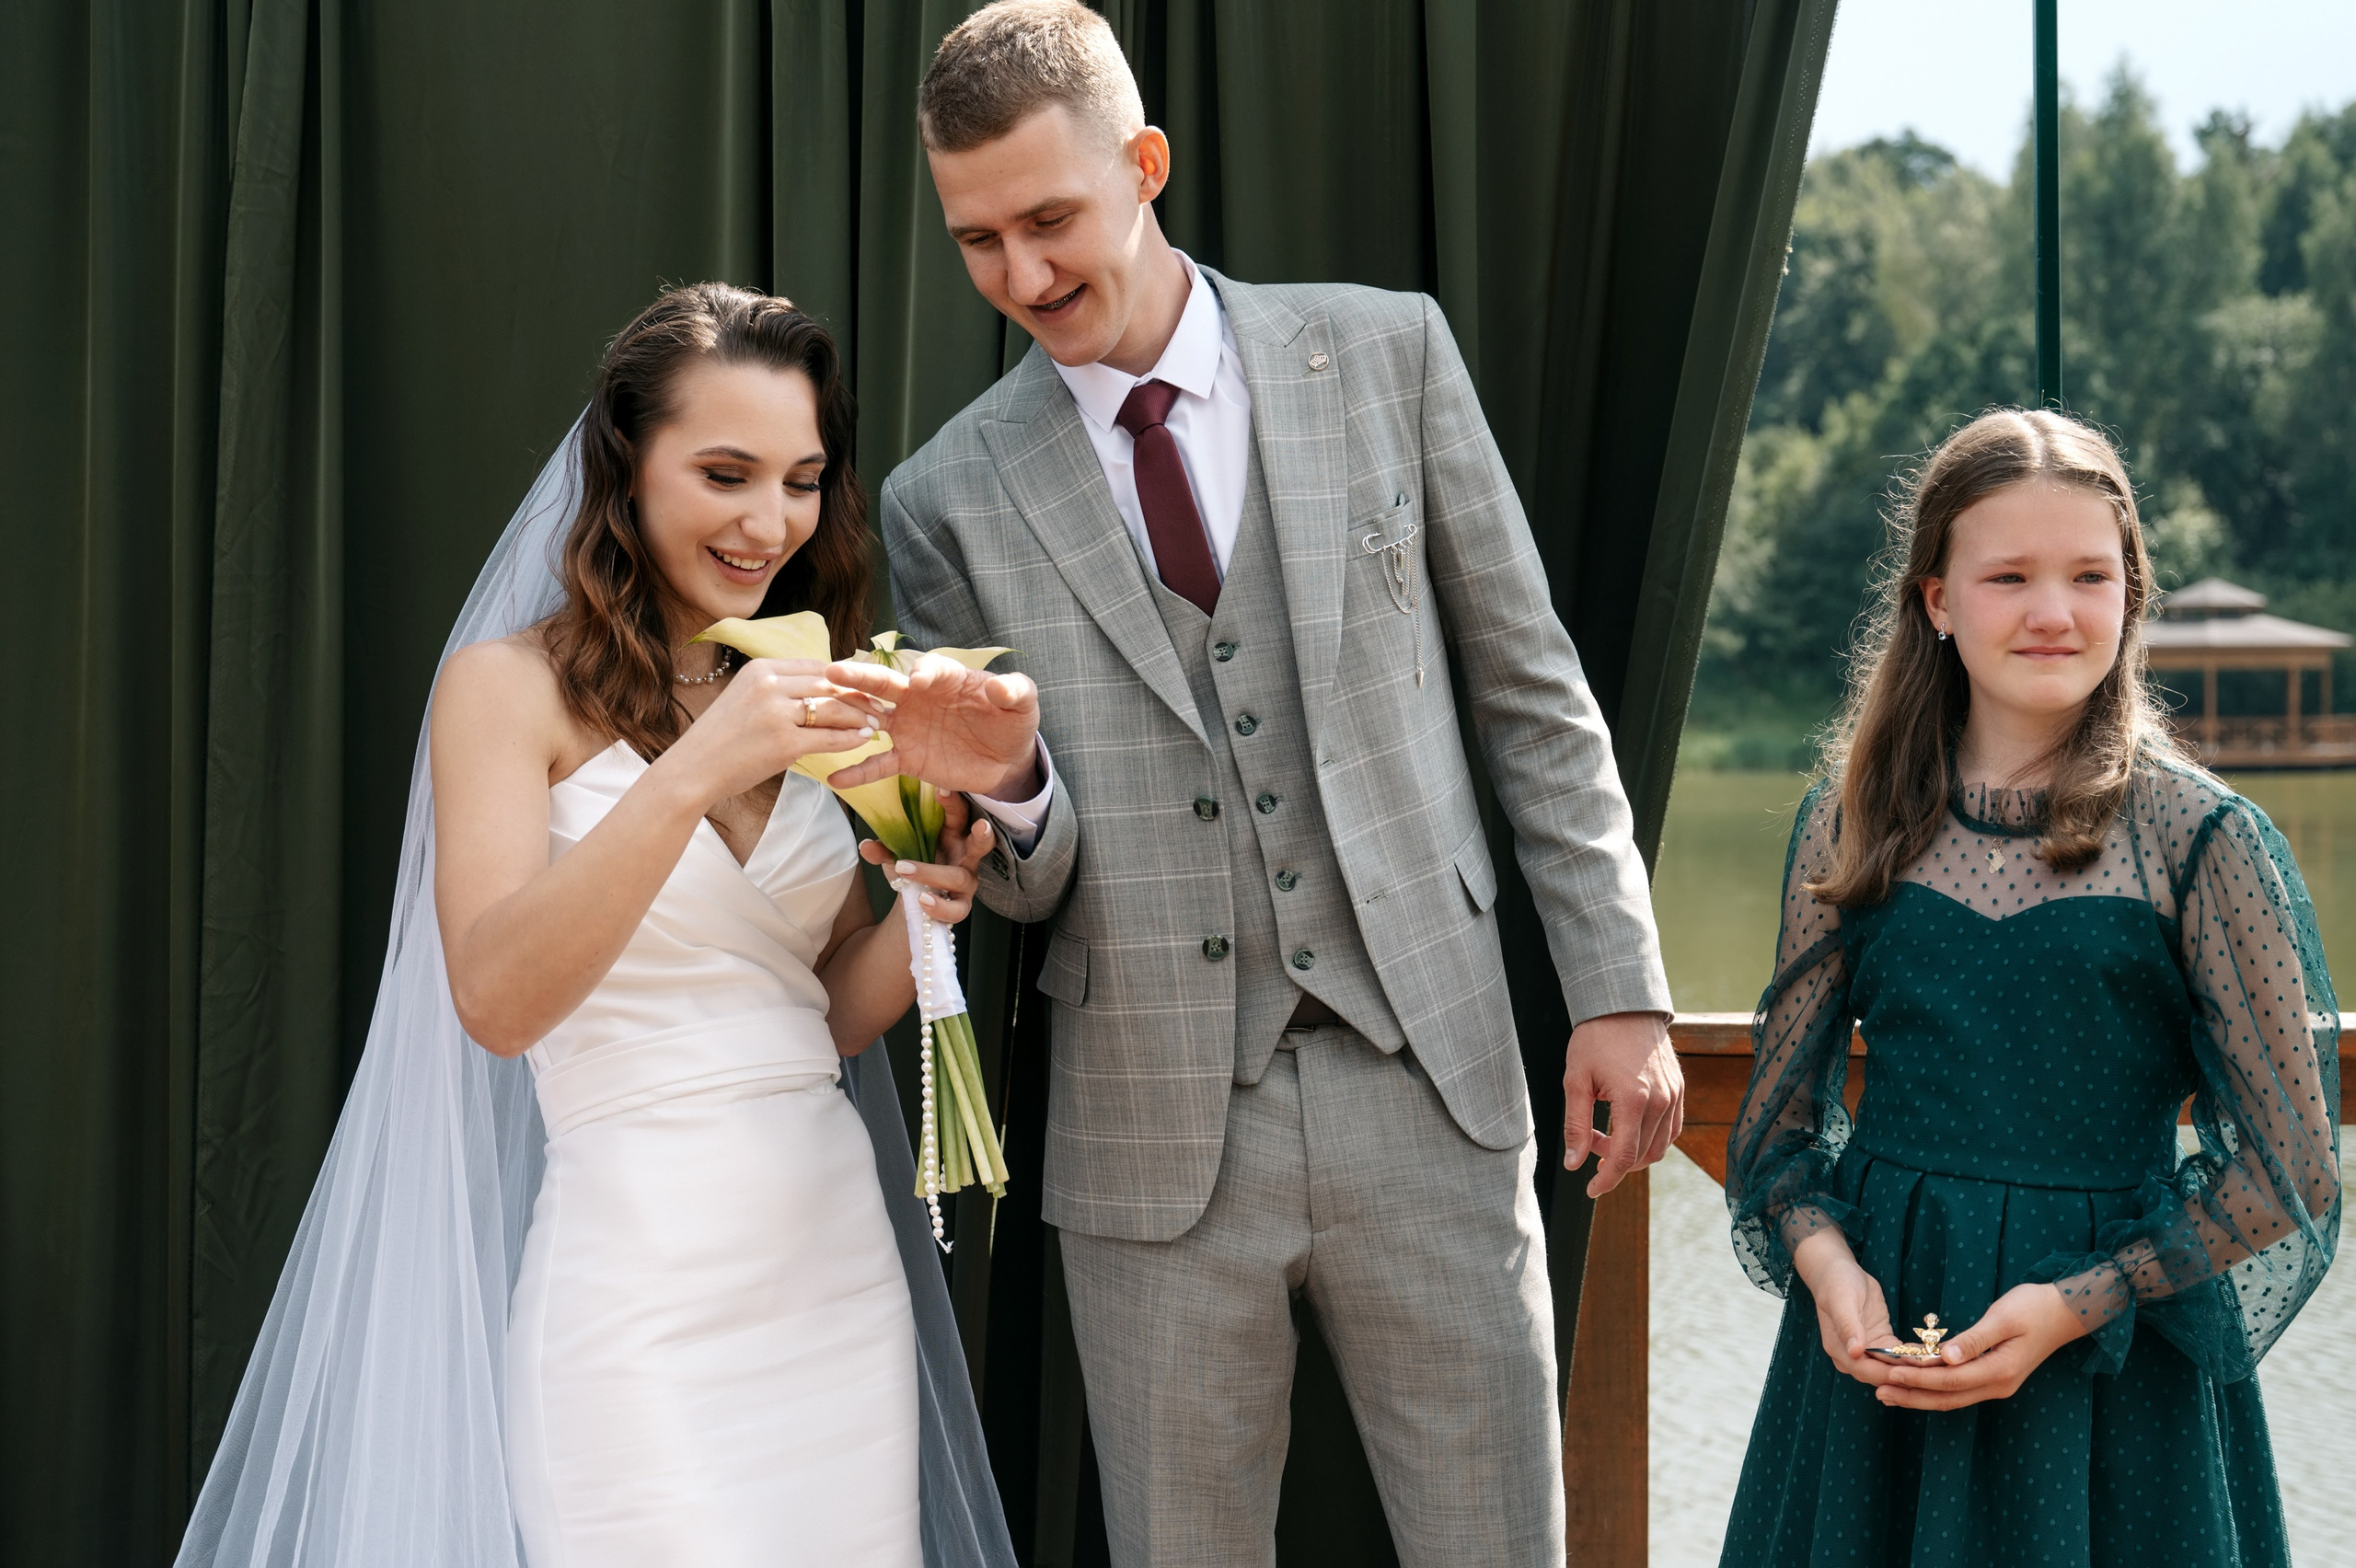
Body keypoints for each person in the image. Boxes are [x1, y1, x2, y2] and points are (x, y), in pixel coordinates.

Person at [827, 4, 1684, 1561]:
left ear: (1144, 165)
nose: (1022, 276)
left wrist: (1617, 985)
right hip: (1154, 1128)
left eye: (1050, 219)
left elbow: (1532, 693)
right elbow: (1019, 874)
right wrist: (1010, 779)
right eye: (977, 242)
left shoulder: (1385, 350)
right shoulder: (944, 494)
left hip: (1429, 1078)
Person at [176, 285, 1022, 1567]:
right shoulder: (505, 691)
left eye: (801, 480)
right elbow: (498, 1002)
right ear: (626, 468)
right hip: (640, 1293)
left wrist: (920, 921)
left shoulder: (813, 679)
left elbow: (814, 1016)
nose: (768, 522)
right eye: (725, 473)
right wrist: (693, 770)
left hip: (831, 1272)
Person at [1719, 408, 2341, 1567]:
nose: (2053, 612)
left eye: (2088, 575)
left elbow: (2291, 1166)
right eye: (2007, 575)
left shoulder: (2204, 841)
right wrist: (1828, 1269)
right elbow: (1774, 1131)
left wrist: (2077, 1301)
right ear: (1936, 602)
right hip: (1879, 1353)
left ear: (2129, 595)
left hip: (2110, 1364)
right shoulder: (1851, 824)